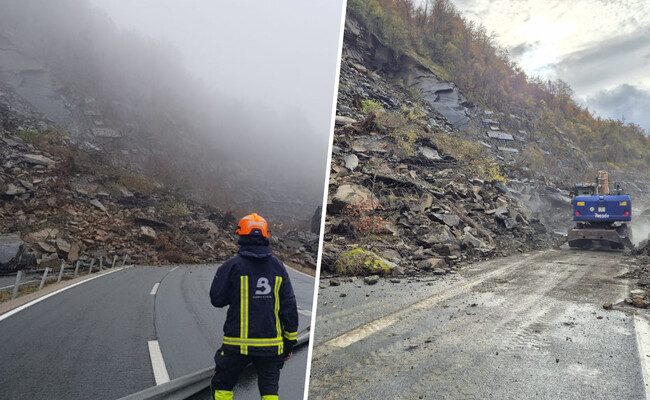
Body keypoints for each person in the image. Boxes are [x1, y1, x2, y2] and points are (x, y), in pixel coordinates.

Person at [209, 213, 299, 400]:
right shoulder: (278, 267)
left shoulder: (232, 266)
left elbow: (217, 299)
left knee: (223, 387)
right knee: (269, 393)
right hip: (271, 347)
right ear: (266, 236)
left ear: (240, 235)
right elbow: (289, 306)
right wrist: (288, 343)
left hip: (236, 346)